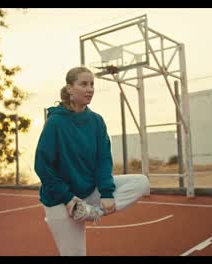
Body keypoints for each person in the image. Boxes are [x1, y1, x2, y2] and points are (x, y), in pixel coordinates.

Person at [34, 66, 150, 256]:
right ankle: (81, 209)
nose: (90, 89)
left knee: (141, 182)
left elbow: (104, 159)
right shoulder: (55, 122)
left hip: (89, 192)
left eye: (92, 85)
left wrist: (106, 192)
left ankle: (91, 212)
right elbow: (42, 166)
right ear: (70, 88)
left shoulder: (97, 121)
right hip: (60, 200)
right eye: (84, 84)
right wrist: (68, 198)